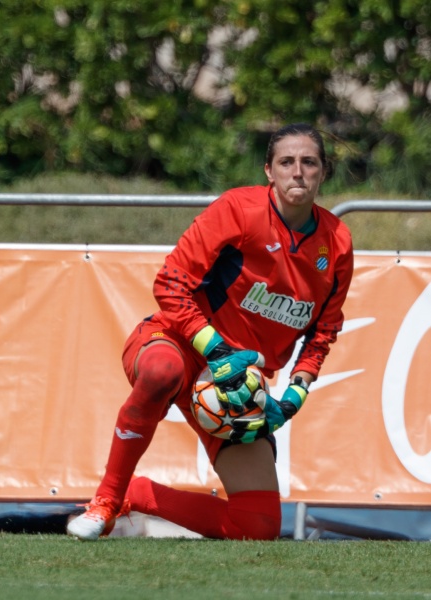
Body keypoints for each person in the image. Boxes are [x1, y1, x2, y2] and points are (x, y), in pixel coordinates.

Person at [67, 122, 354, 541]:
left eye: (309, 162)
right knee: (161, 371)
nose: (298, 172)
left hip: (235, 388)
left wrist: (296, 391)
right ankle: (106, 502)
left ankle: (137, 493)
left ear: (323, 172)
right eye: (286, 162)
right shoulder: (239, 209)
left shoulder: (338, 241)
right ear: (268, 171)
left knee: (258, 527)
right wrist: (216, 351)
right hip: (177, 344)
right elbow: (170, 282)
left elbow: (325, 327)